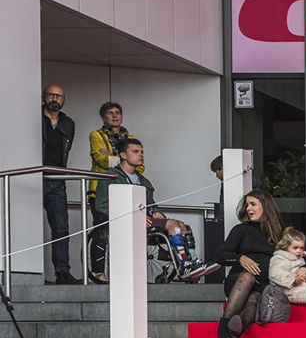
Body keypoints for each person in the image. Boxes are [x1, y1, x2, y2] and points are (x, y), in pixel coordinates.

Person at [94, 138, 218, 282]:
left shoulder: (143, 181)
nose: (140, 154)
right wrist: (131, 216)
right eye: (135, 151)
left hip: (146, 220)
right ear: (123, 155)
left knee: (181, 225)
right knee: (173, 225)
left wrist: (156, 212)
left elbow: (151, 204)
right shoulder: (110, 177)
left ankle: (192, 262)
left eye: (142, 152)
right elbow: (101, 205)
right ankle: (184, 266)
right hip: (125, 221)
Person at [215, 189, 287, 338]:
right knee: (248, 276)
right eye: (247, 205)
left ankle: (234, 333)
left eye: (253, 204)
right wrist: (240, 258)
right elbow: (220, 256)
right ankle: (225, 324)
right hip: (238, 282)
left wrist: (304, 268)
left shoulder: (280, 234)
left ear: (266, 207)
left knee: (255, 298)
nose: (248, 208)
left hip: (264, 285)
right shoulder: (241, 230)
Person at [86, 102, 140, 281]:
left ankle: (121, 273)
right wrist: (125, 161)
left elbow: (142, 165)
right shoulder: (96, 135)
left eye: (118, 113)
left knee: (125, 233)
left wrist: (114, 159)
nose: (115, 116)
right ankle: (99, 272)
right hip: (101, 190)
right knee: (102, 232)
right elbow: (101, 160)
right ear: (103, 117)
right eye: (110, 113)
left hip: (126, 190)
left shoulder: (130, 137)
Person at [41, 85, 78, 284]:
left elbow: (67, 148)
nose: (55, 99)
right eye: (51, 95)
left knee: (61, 227)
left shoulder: (68, 123)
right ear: (44, 97)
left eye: (59, 96)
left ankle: (62, 271)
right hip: (33, 179)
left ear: (64, 100)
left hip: (57, 181)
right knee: (27, 224)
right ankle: (31, 272)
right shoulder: (34, 118)